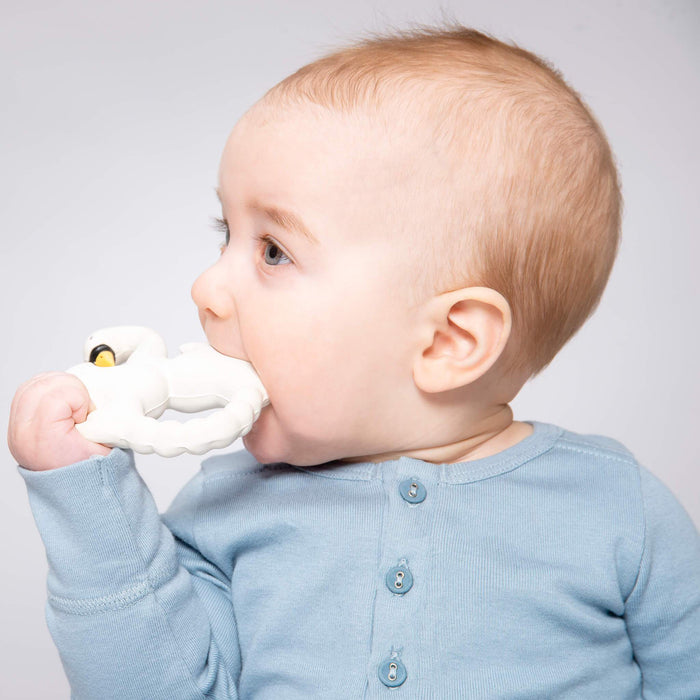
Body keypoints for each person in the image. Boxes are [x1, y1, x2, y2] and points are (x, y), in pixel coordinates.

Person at [8, 22, 700, 699]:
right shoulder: (226, 507)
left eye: (274, 250)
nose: (206, 289)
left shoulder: (618, 513)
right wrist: (87, 502)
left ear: (448, 342)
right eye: (227, 234)